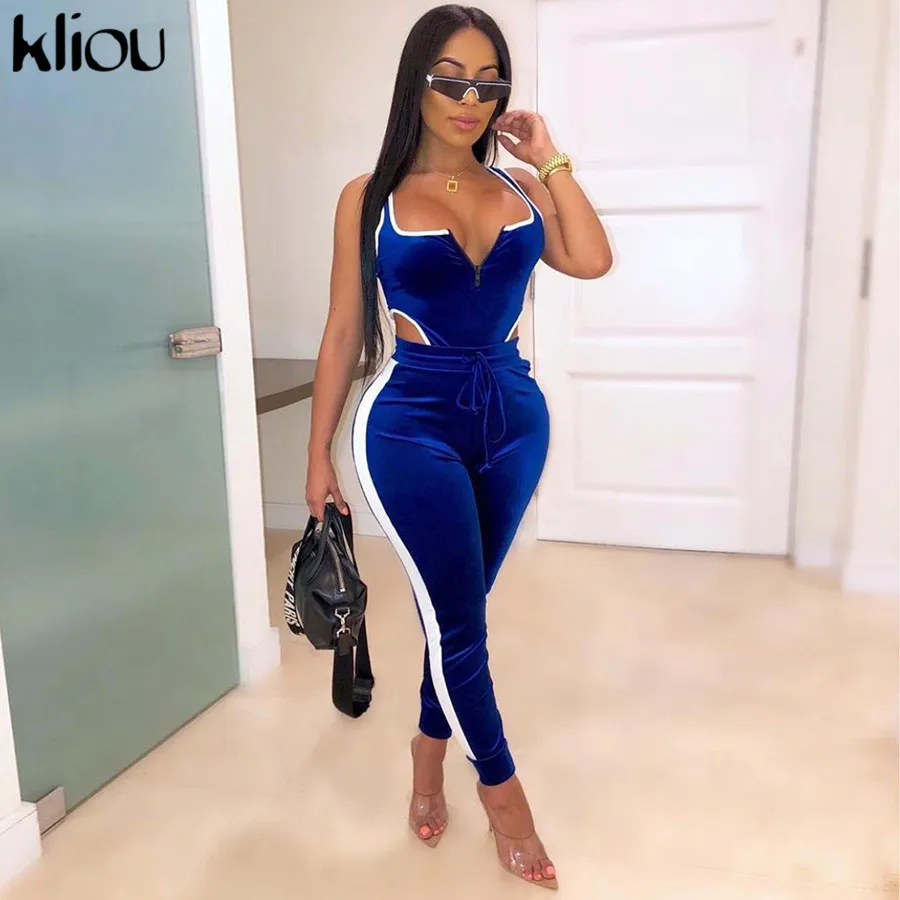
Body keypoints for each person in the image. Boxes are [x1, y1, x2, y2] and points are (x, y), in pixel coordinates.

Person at [306, 4, 611, 889]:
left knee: (457, 613)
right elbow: (343, 330)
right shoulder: (368, 197)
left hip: (514, 420)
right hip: (410, 422)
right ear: (416, 82)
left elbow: (590, 259)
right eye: (450, 79)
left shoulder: (521, 190)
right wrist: (317, 454)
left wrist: (548, 158)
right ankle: (505, 799)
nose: (469, 99)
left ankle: (428, 749)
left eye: (488, 84)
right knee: (462, 627)